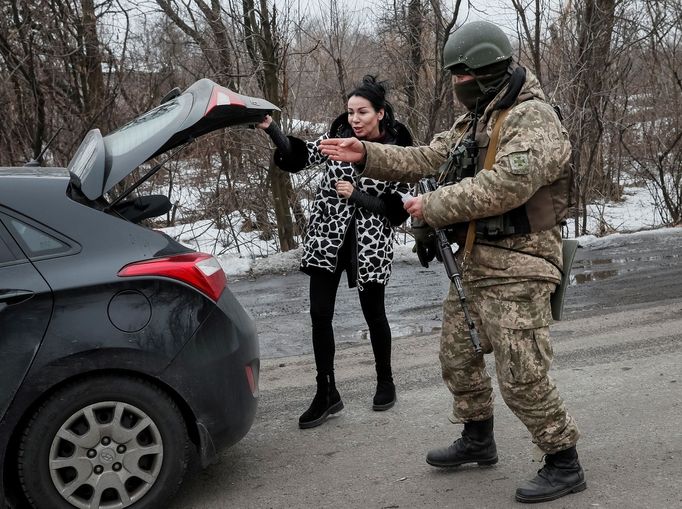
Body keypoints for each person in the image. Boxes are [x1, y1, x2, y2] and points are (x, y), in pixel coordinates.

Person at [319, 21, 585, 504]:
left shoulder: (533, 118)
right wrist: (367, 155)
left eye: (460, 76)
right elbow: (428, 156)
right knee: (457, 357)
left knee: (521, 372)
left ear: (484, 71)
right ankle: (478, 439)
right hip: (477, 259)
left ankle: (563, 458)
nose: (456, 85)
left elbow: (507, 185)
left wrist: (434, 205)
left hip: (522, 262)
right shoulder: (478, 117)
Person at [256, 75, 413, 429]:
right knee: (319, 315)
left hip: (369, 242)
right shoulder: (337, 139)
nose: (354, 119)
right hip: (327, 240)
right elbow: (299, 156)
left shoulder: (397, 152)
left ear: (381, 114)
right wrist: (272, 129)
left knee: (375, 315)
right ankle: (326, 392)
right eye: (350, 112)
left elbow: (397, 210)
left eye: (362, 112)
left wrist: (356, 195)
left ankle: (385, 381)